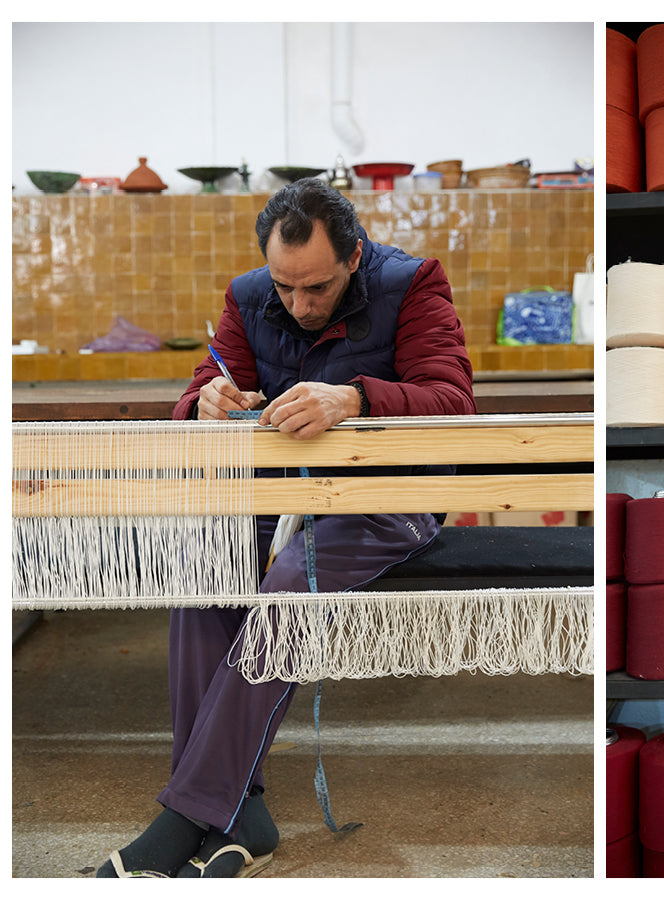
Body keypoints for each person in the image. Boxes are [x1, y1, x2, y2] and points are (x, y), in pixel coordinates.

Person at [97, 178, 476, 878]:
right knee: (205, 567)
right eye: (286, 287)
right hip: (277, 501)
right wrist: (203, 402)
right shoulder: (248, 297)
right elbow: (198, 391)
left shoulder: (414, 283)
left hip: (386, 499)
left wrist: (356, 396)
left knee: (292, 577)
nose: (300, 306)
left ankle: (188, 812)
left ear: (355, 257)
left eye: (319, 289)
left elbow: (451, 399)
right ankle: (240, 811)